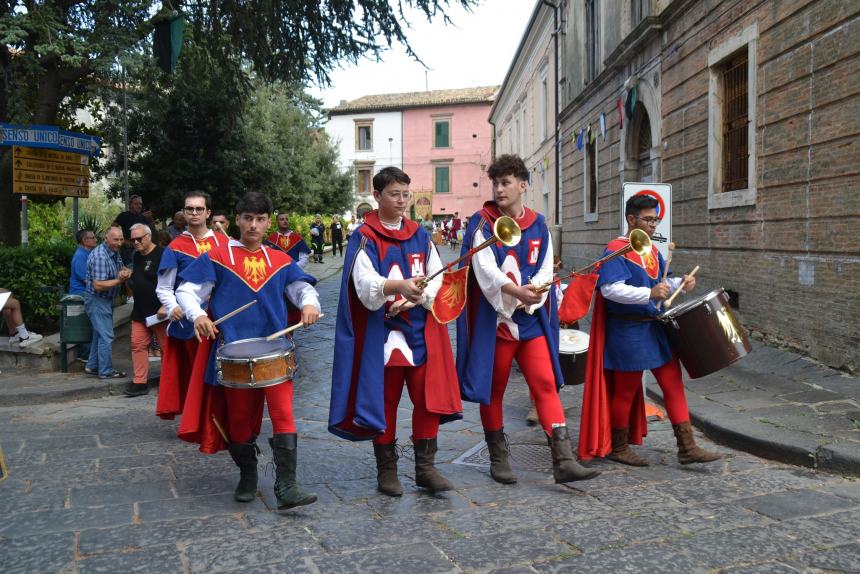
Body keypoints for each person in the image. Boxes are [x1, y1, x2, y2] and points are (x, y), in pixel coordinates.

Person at [456, 154, 600, 485]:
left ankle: (563, 460)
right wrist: (516, 293)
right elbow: (485, 271)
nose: (499, 188)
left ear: (523, 185)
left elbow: (545, 264)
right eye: (496, 183)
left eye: (505, 182)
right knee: (495, 389)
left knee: (546, 383)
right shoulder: (482, 223)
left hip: (531, 318)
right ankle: (498, 456)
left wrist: (534, 292)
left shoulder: (537, 223)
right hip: (499, 322)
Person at [176, 191, 321, 510]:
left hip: (277, 350)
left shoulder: (280, 259)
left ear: (268, 222)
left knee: (283, 414)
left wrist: (310, 304)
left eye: (260, 219)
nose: (253, 225)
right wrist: (198, 314)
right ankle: (248, 474)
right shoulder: (216, 256)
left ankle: (287, 486)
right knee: (239, 420)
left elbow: (302, 288)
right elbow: (186, 290)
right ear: (237, 219)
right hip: (232, 353)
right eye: (247, 218)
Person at [329, 166, 462, 496]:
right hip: (383, 334)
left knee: (427, 399)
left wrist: (420, 295)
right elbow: (364, 282)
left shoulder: (420, 233)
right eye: (394, 194)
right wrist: (397, 287)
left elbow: (435, 274)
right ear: (377, 196)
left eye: (406, 194)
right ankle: (386, 470)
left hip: (420, 330)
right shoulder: (364, 236)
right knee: (385, 401)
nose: (402, 201)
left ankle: (425, 469)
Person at [579, 195, 721, 466]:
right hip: (628, 331)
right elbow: (610, 290)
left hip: (655, 329)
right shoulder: (615, 249)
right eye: (647, 219)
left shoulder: (652, 251)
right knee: (626, 391)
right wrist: (649, 293)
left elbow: (660, 283)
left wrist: (681, 281)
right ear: (631, 220)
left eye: (655, 219)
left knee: (672, 382)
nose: (653, 224)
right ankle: (619, 447)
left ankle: (687, 446)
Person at [155, 191, 229, 419]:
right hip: (190, 324)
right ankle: (198, 419)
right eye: (189, 209)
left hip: (222, 320)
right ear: (184, 213)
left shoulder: (224, 242)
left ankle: (222, 417)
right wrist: (173, 306)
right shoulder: (175, 246)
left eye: (199, 209)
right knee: (196, 377)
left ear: (209, 213)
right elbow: (164, 288)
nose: (194, 213)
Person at [125, 224, 167, 397]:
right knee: (137, 345)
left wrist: (167, 305)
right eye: (132, 239)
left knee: (166, 348)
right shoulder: (136, 256)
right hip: (140, 311)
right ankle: (140, 381)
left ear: (149, 236)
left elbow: (173, 280)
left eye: (139, 238)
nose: (135, 242)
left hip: (159, 313)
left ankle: (168, 380)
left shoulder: (163, 254)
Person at [84, 225, 131, 378]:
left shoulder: (114, 251)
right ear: (106, 238)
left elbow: (119, 268)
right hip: (97, 299)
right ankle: (105, 371)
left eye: (121, 239)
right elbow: (98, 285)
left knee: (99, 334)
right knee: (106, 336)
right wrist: (119, 279)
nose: (119, 243)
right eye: (115, 239)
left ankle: (92, 366)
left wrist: (124, 271)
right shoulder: (100, 256)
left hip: (105, 299)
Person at [69, 229, 97, 361]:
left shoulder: (87, 253)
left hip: (85, 293)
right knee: (88, 324)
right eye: (92, 238)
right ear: (85, 241)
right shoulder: (80, 255)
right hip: (81, 294)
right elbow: (86, 280)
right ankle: (85, 354)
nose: (95, 240)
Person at [114, 195, 154, 265]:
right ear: (130, 205)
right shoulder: (124, 215)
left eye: (140, 204)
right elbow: (112, 229)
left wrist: (150, 220)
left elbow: (152, 231)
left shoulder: (143, 217)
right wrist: (123, 240)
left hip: (143, 249)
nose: (139, 206)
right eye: (136, 204)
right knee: (130, 270)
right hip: (129, 250)